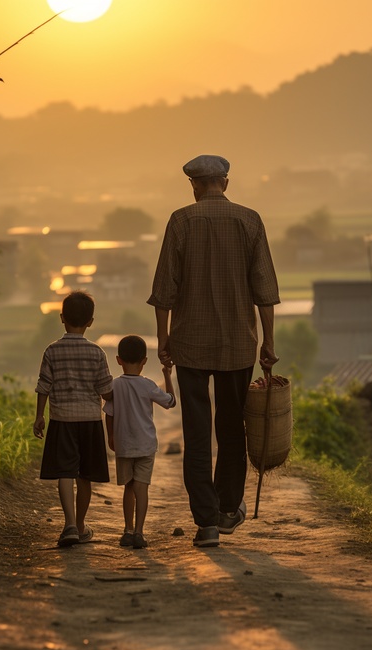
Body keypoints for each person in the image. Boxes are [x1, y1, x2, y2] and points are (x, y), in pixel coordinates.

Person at [147, 154, 280, 547]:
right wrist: (268, 343)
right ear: (226, 182)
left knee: (197, 432)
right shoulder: (250, 220)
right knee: (232, 429)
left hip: (190, 344)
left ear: (194, 185)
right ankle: (226, 510)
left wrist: (163, 340)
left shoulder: (181, 220)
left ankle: (205, 522)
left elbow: (163, 292)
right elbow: (265, 292)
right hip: (238, 345)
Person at [33, 290, 113, 547]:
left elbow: (44, 386)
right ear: (91, 321)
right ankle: (80, 525)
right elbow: (105, 389)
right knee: (85, 475)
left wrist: (39, 417)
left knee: (65, 472)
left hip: (61, 420)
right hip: (89, 420)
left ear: (62, 318)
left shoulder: (52, 350)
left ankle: (68, 524)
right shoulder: (97, 353)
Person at [103, 335, 176, 549]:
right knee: (141, 488)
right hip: (145, 446)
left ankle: (127, 529)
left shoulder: (115, 386)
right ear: (144, 361)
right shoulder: (148, 385)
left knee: (128, 487)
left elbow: (109, 414)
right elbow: (171, 401)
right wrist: (167, 375)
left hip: (124, 445)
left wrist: (111, 436)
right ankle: (139, 532)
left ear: (118, 360)